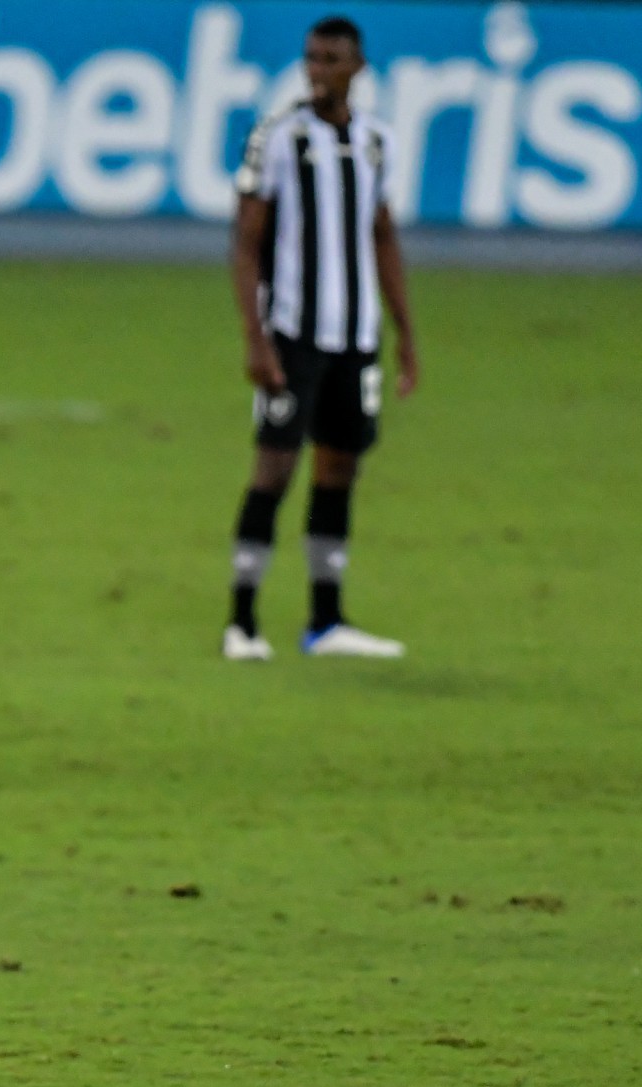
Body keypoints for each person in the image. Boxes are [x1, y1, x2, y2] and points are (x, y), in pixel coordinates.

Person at [224, 16, 420, 661]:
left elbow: (382, 236)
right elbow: (247, 242)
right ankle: (242, 623)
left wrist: (405, 332)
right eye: (311, 58)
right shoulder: (278, 137)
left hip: (355, 336)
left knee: (339, 469)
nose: (318, 70)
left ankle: (326, 621)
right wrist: (256, 340)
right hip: (293, 335)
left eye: (331, 59)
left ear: (358, 67)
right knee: (274, 469)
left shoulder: (376, 141)